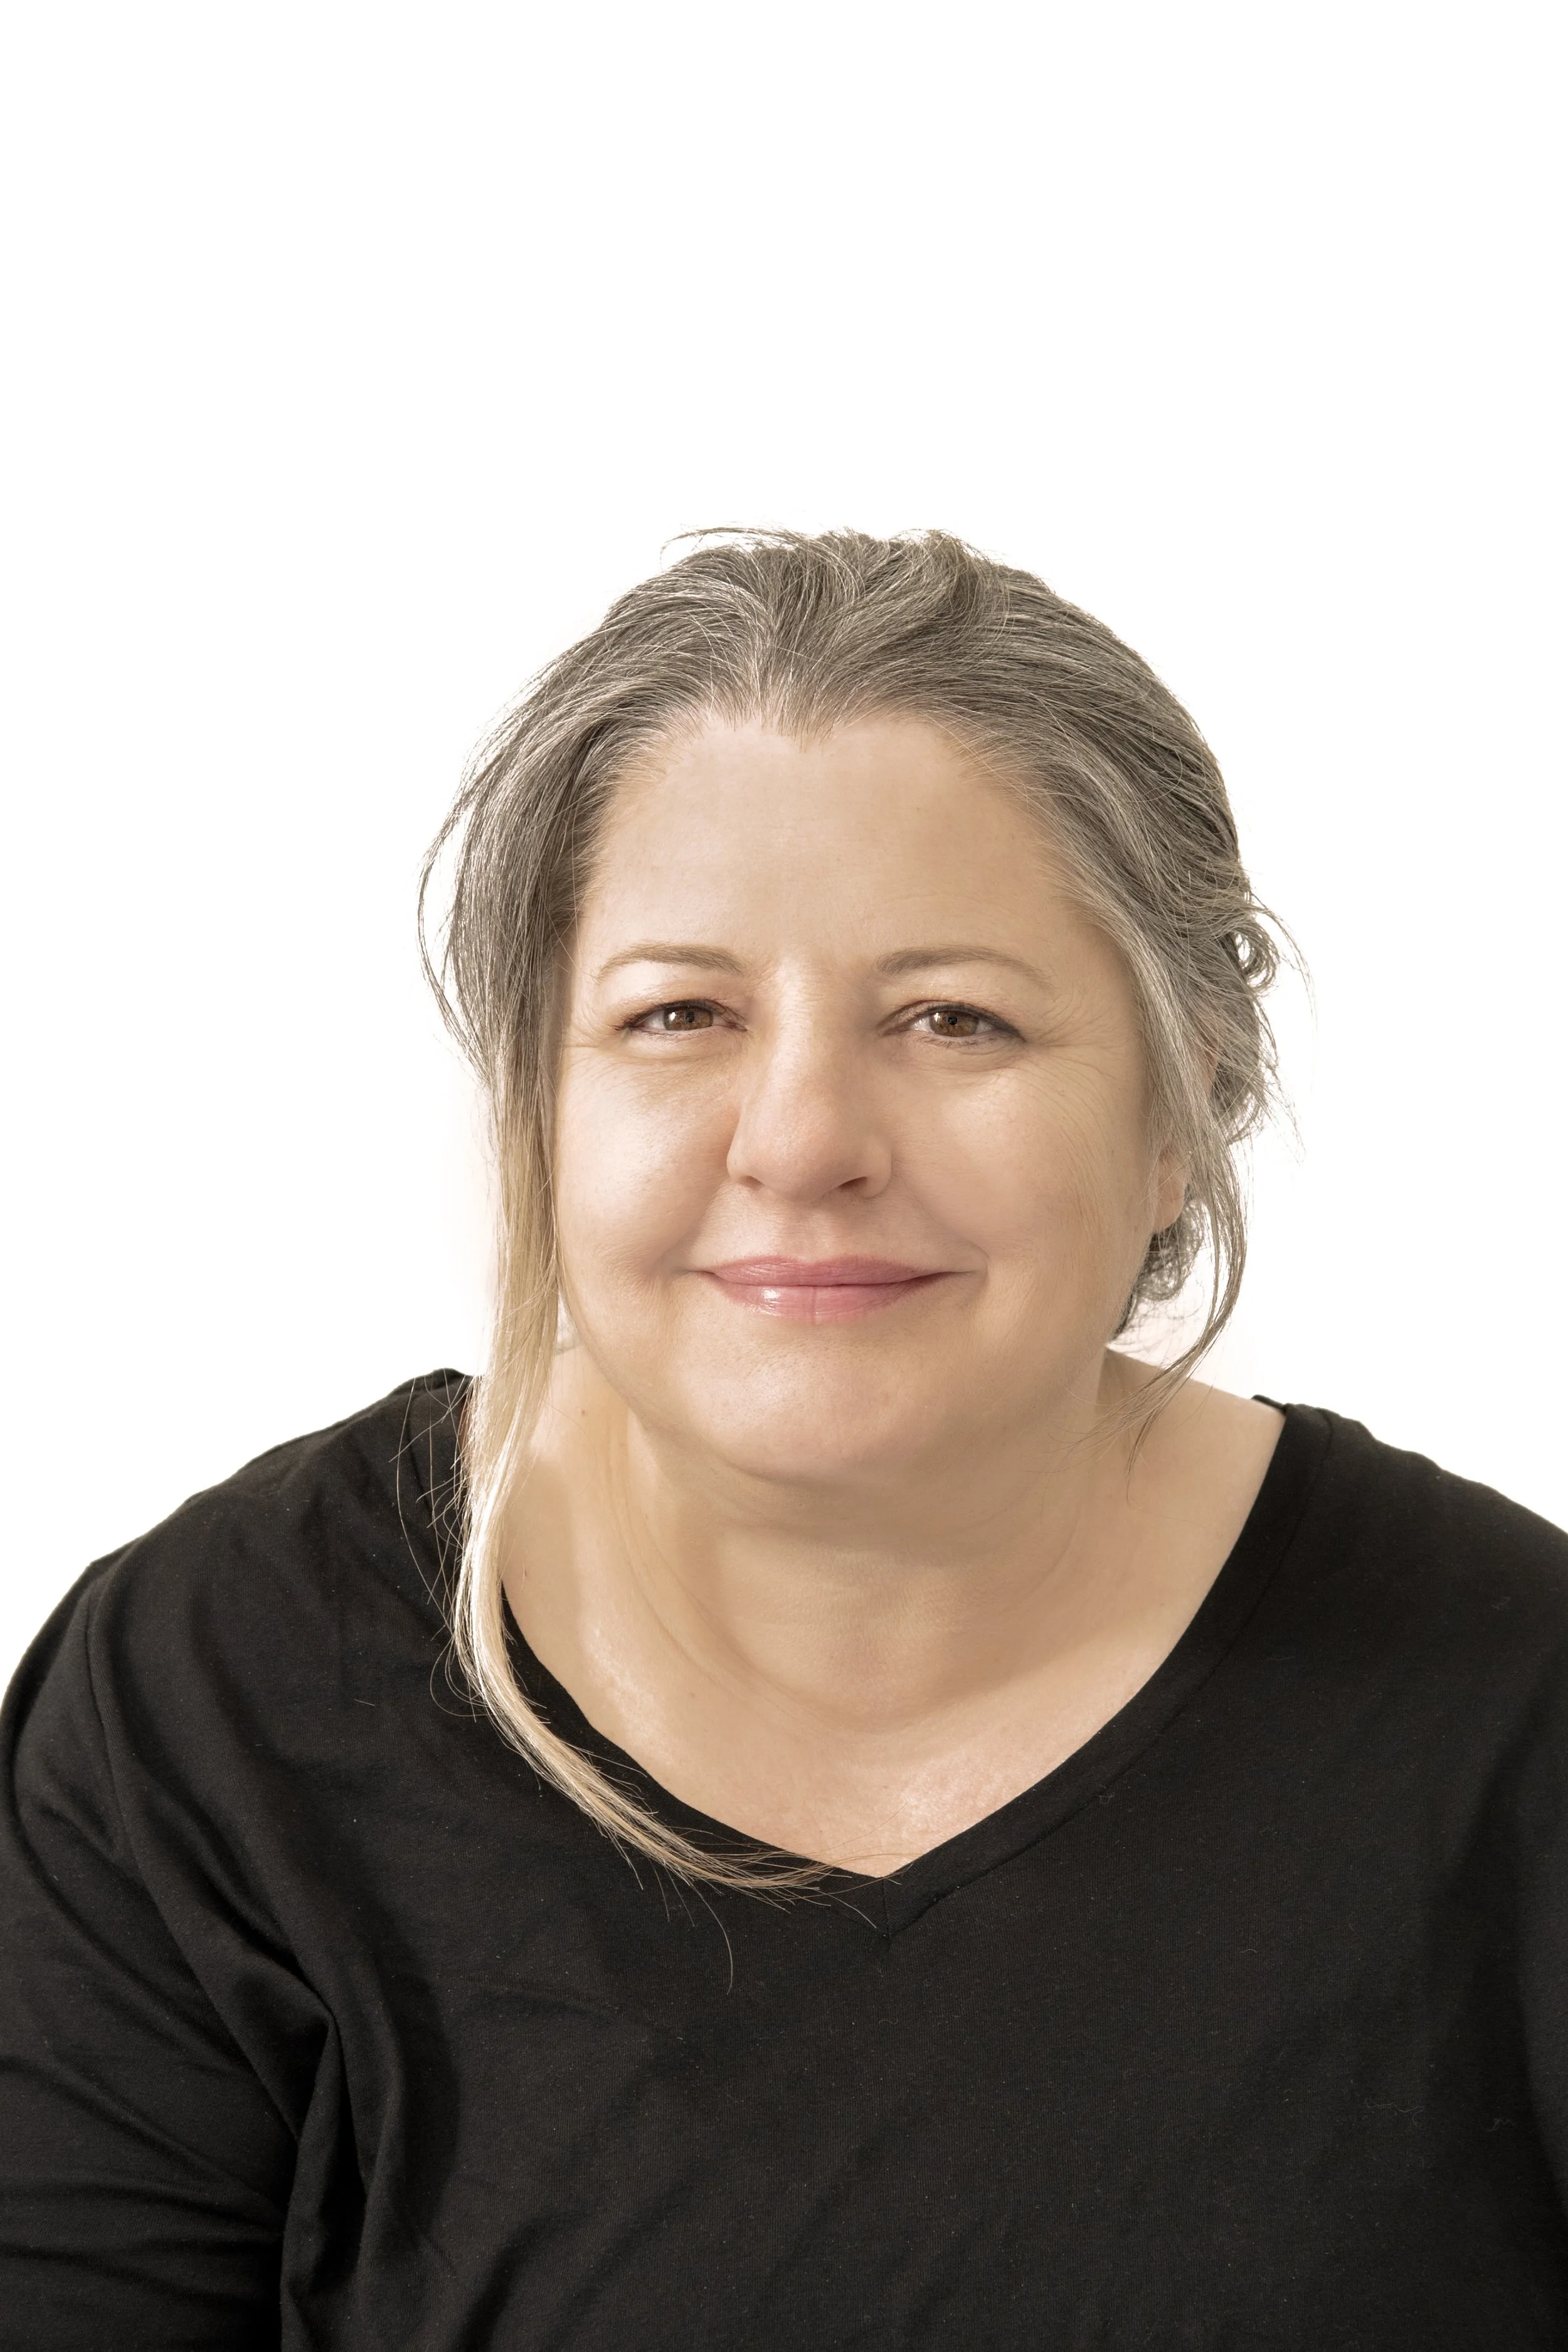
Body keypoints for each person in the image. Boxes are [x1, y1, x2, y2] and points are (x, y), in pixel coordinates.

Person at [3, 529, 1566, 2350]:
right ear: (536, 1106)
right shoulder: (215, 1702)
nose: (803, 1135)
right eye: (679, 1014)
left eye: (950, 1016)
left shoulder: (1516, 1716)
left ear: (1181, 1104)